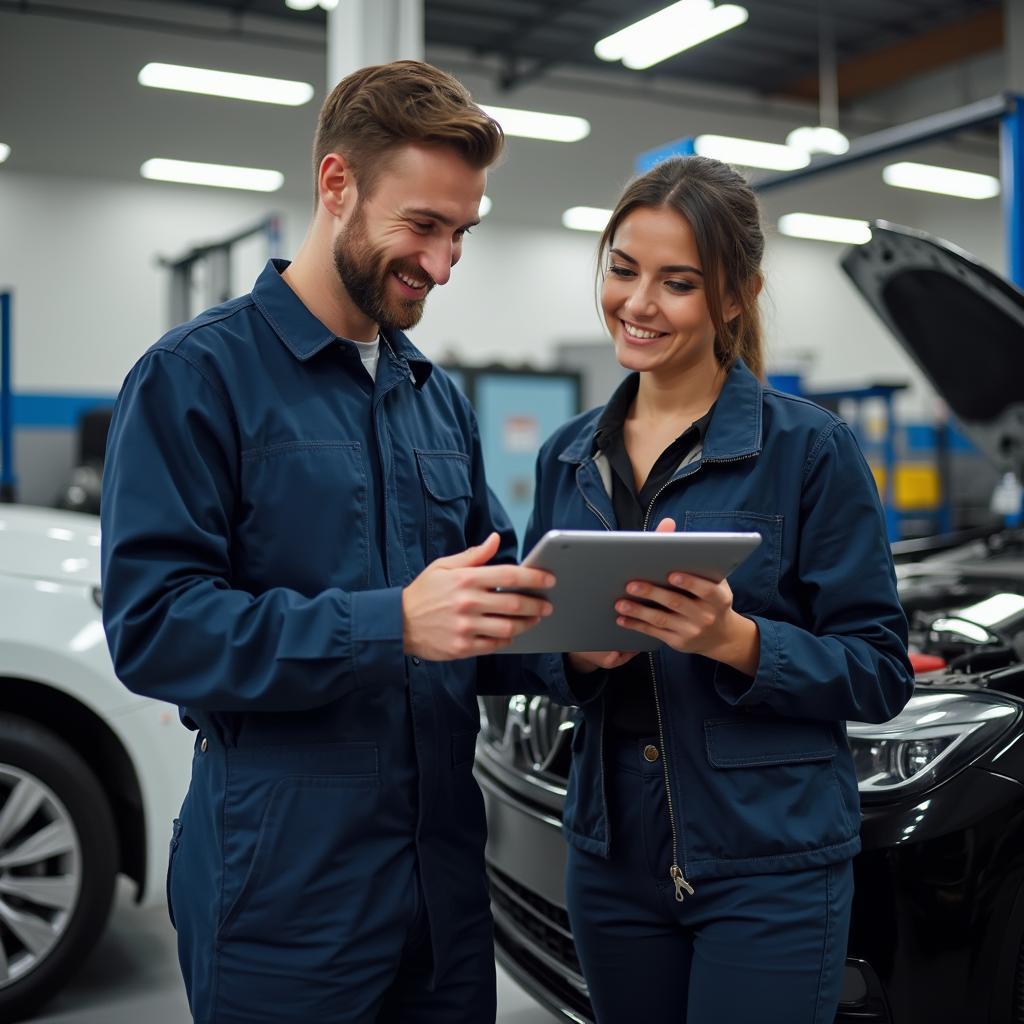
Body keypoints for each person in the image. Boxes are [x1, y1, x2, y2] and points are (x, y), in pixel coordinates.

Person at [100, 60, 566, 1024]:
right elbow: (156, 629)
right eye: (424, 227)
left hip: (442, 900)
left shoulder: (435, 398)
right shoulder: (195, 379)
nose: (442, 266)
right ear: (336, 185)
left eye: (461, 234)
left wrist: (589, 639)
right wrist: (388, 623)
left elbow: (483, 611)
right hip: (284, 900)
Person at [524, 156, 914, 1023]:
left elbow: (881, 671)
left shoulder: (810, 452)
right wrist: (577, 657)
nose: (638, 303)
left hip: (768, 861)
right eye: (623, 269)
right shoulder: (566, 456)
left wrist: (736, 641)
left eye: (678, 283)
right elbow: (536, 645)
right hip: (611, 855)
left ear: (734, 297)